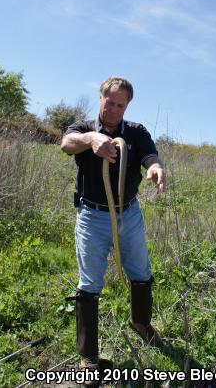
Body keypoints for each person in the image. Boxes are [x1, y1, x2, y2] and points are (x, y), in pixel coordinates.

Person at [61, 77, 166, 384]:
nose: (114, 110)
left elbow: (151, 157)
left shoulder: (135, 132)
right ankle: (89, 356)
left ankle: (141, 323)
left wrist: (156, 168)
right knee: (90, 283)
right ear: (101, 98)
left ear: (127, 106)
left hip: (128, 215)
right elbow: (66, 145)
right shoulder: (82, 128)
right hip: (92, 217)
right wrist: (92, 140)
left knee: (141, 273)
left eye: (121, 105)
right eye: (110, 102)